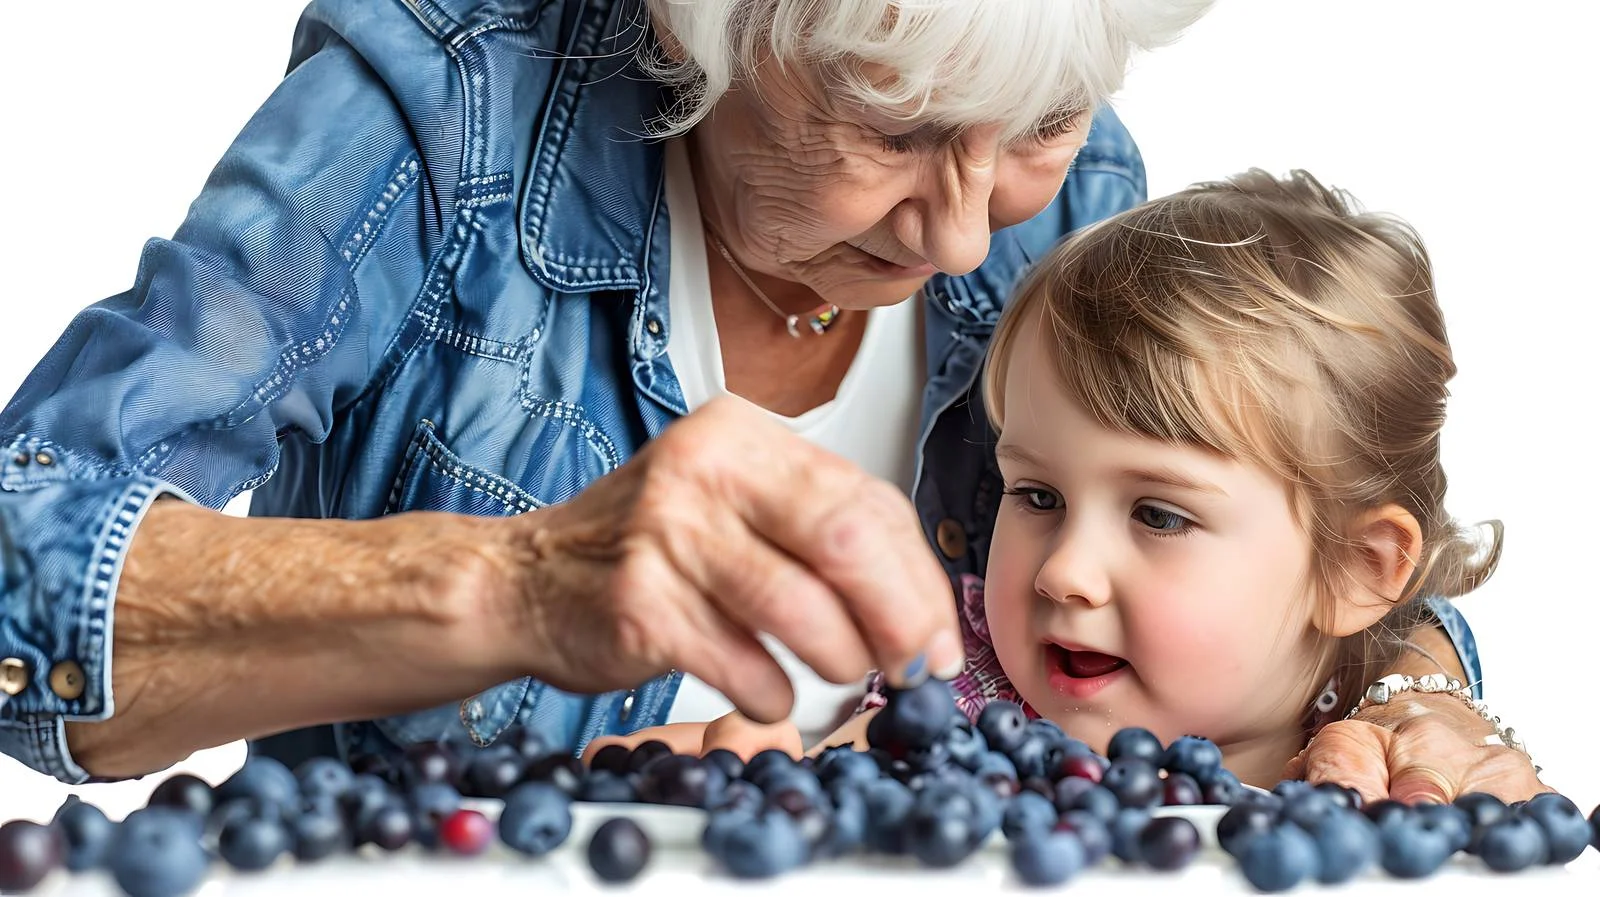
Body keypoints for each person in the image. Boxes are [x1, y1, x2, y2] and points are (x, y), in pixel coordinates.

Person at [0, 0, 1523, 803]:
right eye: (891, 127)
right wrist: (511, 584)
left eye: (1044, 126)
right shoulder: (443, 108)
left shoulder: (1066, 186)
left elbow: (1278, 505)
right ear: (695, 26)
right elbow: (20, 555)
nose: (965, 233)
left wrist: (1404, 685)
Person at [607, 169, 1543, 800]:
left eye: (1159, 513)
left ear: (1355, 567)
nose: (1066, 574)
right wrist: (777, 779)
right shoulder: (965, 699)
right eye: (1037, 496)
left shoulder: (1404, 760)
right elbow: (857, 783)